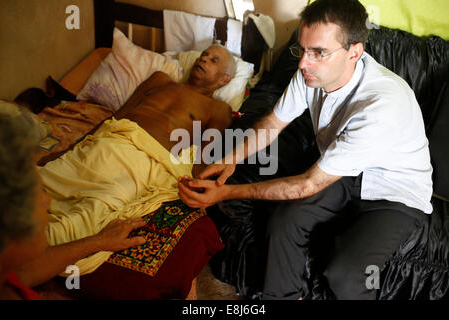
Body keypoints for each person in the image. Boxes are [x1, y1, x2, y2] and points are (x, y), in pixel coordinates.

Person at [178, 0, 432, 300]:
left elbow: (308, 184)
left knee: (348, 276)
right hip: (342, 173)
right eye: (302, 49)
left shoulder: (380, 104)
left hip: (394, 192)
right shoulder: (310, 74)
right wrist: (229, 160)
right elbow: (273, 123)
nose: (302, 63)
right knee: (284, 221)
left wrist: (224, 193)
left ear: (354, 51)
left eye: (319, 52)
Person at [34, 44, 237, 277]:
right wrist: (70, 148)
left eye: (214, 60)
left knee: (96, 210)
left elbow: (203, 155)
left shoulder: (219, 109)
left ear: (224, 79)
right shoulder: (160, 80)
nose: (204, 59)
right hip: (109, 142)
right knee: (43, 182)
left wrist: (198, 189)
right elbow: (117, 116)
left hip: (144, 160)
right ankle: (18, 234)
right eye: (204, 55)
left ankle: (37, 252)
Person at [0, 101, 146, 299]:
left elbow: (24, 271)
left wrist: (98, 241)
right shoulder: (158, 80)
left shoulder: (8, 270)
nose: (47, 201)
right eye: (39, 192)